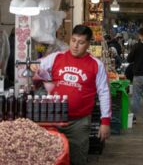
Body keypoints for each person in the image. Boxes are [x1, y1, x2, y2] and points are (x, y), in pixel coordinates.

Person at [31, 25, 111, 165]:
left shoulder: (96, 65)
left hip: (79, 123)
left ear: (88, 44)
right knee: (52, 158)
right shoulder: (57, 57)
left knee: (77, 158)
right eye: (73, 40)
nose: (75, 46)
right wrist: (33, 66)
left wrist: (105, 122)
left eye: (81, 43)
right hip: (54, 118)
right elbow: (37, 66)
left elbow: (104, 92)